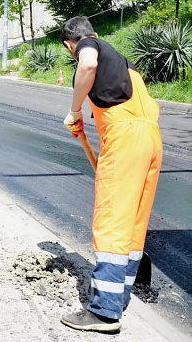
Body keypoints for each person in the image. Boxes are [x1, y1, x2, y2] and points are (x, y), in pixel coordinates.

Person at [60, 16, 163, 333]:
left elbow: (87, 65)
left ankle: (104, 312)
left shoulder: (88, 47)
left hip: (125, 142)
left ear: (69, 44)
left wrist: (76, 109)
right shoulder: (124, 63)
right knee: (133, 225)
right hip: (151, 140)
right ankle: (120, 295)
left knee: (112, 222)